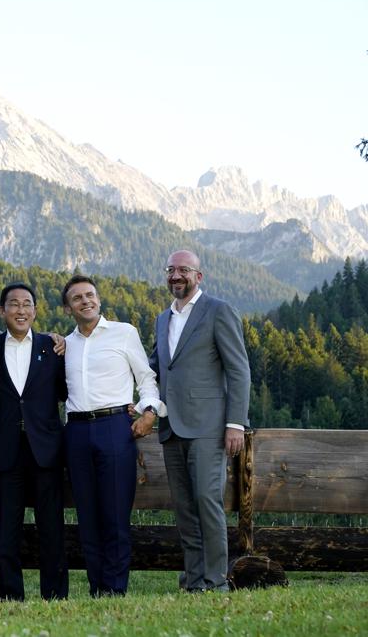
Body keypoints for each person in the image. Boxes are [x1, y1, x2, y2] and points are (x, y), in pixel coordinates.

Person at [150, 250, 250, 593]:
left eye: (184, 270)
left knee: (208, 501)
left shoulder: (218, 311)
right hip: (171, 428)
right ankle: (194, 581)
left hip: (209, 427)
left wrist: (235, 423)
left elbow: (239, 370)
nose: (176, 276)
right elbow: (155, 366)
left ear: (199, 276)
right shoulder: (162, 319)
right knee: (184, 509)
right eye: (171, 270)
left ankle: (216, 580)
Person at [61, 275, 163, 597]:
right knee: (87, 517)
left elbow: (147, 379)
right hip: (76, 431)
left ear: (99, 299)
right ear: (68, 308)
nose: (85, 301)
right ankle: (96, 589)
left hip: (115, 428)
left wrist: (149, 413)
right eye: (77, 298)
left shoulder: (124, 333)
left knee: (116, 516)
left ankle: (115, 590)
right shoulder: (65, 344)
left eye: (90, 295)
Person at [0, 282, 68, 601]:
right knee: (7, 530)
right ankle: (9, 595)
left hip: (45, 451)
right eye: (14, 304)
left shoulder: (53, 347)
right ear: (2, 311)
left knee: (51, 528)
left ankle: (55, 595)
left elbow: (67, 392)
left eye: (27, 304)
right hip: (5, 452)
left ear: (35, 310)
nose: (21, 310)